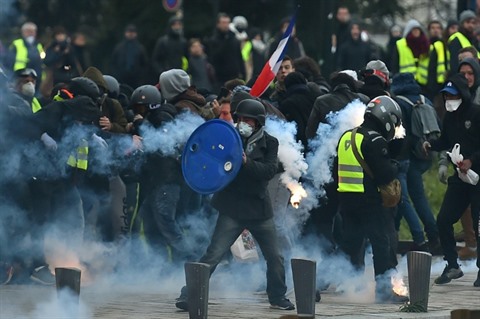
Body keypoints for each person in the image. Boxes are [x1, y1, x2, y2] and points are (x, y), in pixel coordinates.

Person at [175, 99, 295, 311]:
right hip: (232, 207)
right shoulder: (228, 139)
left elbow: (268, 171)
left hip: (259, 209)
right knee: (214, 254)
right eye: (239, 119)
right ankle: (190, 294)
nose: (242, 123)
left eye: (248, 120)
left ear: (258, 123)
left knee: (274, 256)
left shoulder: (270, 143)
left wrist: (246, 162)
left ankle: (277, 296)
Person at [335, 95, 408, 303]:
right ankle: (384, 291)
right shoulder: (375, 140)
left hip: (347, 200)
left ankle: (326, 282)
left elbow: (335, 171)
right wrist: (396, 165)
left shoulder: (347, 136)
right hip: (369, 201)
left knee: (350, 244)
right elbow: (385, 174)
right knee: (381, 245)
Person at [423, 74, 480, 286]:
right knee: (444, 220)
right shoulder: (450, 118)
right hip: (460, 177)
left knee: (478, 223)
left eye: (452, 96)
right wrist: (432, 145)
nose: (449, 100)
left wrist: (472, 161)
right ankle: (452, 265)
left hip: (477, 176)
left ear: (463, 95)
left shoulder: (476, 114)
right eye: (446, 96)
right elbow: (446, 141)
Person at [391, 72, 441, 252]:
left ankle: (419, 239)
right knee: (419, 197)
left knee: (403, 200)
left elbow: (401, 134)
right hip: (426, 156)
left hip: (407, 158)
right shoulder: (424, 99)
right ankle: (434, 235)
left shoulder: (399, 102)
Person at [206, 13, 245, 91]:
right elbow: (213, 58)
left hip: (234, 77)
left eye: (227, 23)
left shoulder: (234, 39)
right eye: (223, 23)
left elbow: (239, 57)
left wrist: (243, 73)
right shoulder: (213, 40)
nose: (226, 25)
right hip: (220, 79)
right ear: (218, 24)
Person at [5, 22, 45, 92]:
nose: (31, 33)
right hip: (20, 77)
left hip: (36, 77)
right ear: (23, 32)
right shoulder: (17, 44)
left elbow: (42, 61)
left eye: (33, 31)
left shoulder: (38, 45)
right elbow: (9, 61)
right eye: (28, 31)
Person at [391, 19, 430, 87]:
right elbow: (395, 65)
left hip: (423, 83)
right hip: (405, 82)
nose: (416, 32)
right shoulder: (400, 44)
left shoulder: (426, 44)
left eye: (418, 29)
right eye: (413, 30)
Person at [110, 24, 149, 89]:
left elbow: (145, 64)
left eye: (132, 32)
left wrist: (141, 76)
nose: (130, 34)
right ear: (125, 33)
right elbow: (113, 62)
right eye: (129, 32)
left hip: (136, 79)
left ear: (136, 34)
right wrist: (116, 75)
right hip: (121, 78)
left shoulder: (140, 48)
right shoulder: (119, 47)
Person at [426, 20, 448, 101]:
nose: (435, 30)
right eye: (433, 28)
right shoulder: (424, 45)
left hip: (439, 84)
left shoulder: (444, 45)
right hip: (425, 84)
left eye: (438, 28)